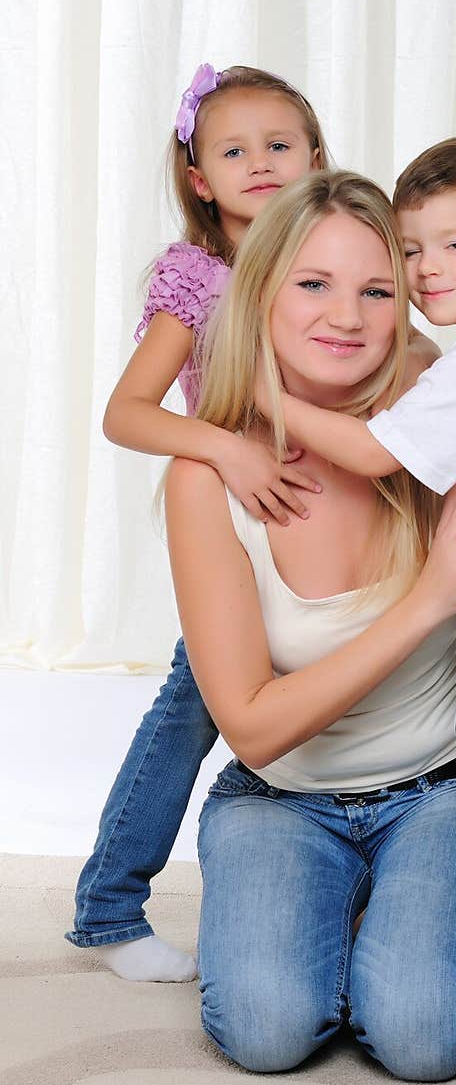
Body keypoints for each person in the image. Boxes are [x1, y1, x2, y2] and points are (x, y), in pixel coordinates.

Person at [164, 168, 456, 1080]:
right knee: (267, 1030)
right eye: (313, 284)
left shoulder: (437, 420)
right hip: (281, 796)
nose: (346, 315)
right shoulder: (207, 477)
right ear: (262, 292)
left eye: (377, 289)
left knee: (425, 1037)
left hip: (440, 787)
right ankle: (338, 905)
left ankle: (407, 910)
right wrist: (427, 601)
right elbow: (252, 727)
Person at [65, 64, 340, 981]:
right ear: (198, 178)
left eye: (279, 145)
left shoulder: (332, 264)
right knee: (194, 707)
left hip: (325, 528)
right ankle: (108, 908)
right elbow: (127, 410)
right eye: (233, 150)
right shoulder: (201, 277)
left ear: (315, 159)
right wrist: (224, 448)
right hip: (236, 533)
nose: (259, 163)